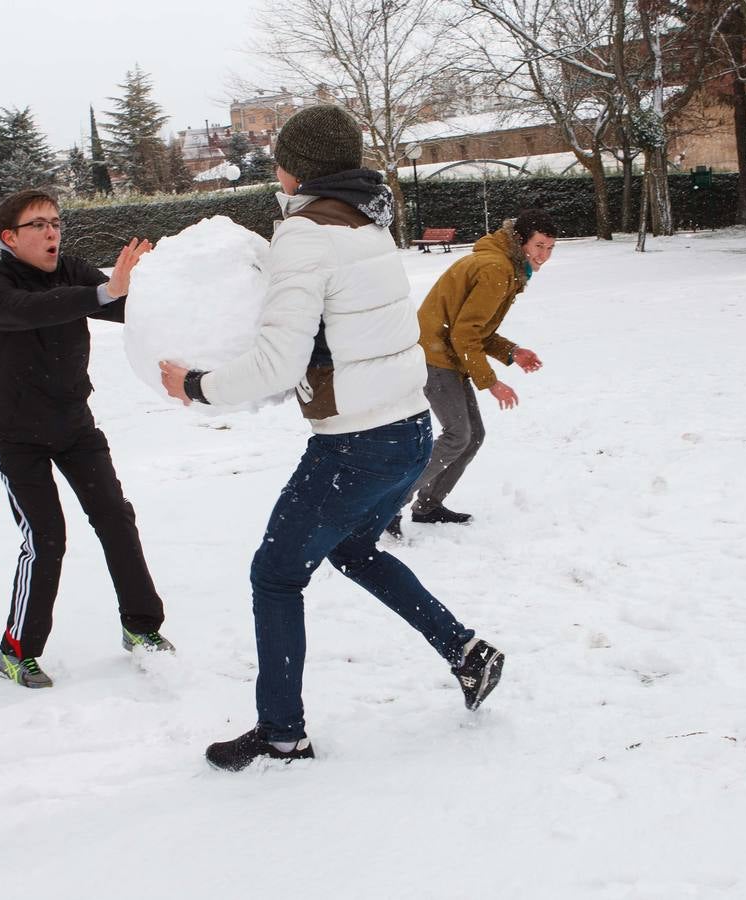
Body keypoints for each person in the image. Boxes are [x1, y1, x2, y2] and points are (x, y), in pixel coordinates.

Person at [159, 105, 504, 772]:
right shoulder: (364, 222)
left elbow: (277, 363)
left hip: (355, 445)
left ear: (298, 166)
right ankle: (466, 654)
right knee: (351, 548)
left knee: (275, 575)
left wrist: (195, 385)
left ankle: (281, 734)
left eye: (280, 159)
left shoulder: (307, 234)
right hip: (407, 430)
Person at [0, 189, 172, 689]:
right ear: (9, 238)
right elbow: (30, 310)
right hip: (16, 435)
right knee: (46, 538)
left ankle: (141, 626)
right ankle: (16, 650)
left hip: (73, 424)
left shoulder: (72, 271)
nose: (51, 231)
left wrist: (149, 286)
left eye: (56, 222)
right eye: (38, 224)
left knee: (115, 517)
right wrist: (106, 292)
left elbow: (120, 308)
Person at [387, 209, 557, 538]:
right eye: (539, 245)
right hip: (435, 355)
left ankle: (428, 505)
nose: (544, 255)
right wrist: (491, 383)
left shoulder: (505, 265)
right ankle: (391, 503)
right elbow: (463, 335)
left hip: (447, 352)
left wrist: (512, 352)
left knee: (471, 436)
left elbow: (473, 330)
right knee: (457, 436)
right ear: (521, 241)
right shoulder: (496, 268)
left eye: (550, 247)